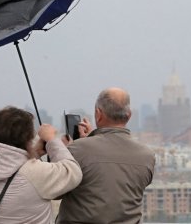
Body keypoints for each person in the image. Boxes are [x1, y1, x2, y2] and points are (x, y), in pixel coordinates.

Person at [56, 87, 155, 224]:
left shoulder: (78, 149)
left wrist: (63, 152)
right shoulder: (147, 156)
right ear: (129, 115)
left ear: (98, 114)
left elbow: (56, 191)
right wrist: (91, 139)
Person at [0, 106, 82, 224]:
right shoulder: (35, 173)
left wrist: (36, 153)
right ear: (26, 138)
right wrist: (52, 140)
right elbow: (73, 172)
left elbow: (13, 169)